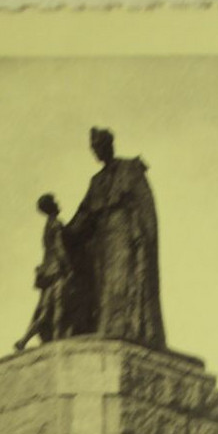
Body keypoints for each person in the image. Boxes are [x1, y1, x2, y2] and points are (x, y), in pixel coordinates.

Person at [65, 127, 166, 350]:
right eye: (94, 149)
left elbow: (145, 206)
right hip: (101, 239)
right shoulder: (96, 181)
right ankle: (106, 328)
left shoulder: (130, 169)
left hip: (124, 232)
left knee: (122, 280)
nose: (97, 152)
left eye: (99, 146)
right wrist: (66, 232)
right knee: (103, 285)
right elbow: (84, 214)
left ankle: (127, 328)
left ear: (109, 145)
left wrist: (144, 239)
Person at [14, 193, 76, 351]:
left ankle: (24, 340)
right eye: (55, 201)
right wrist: (68, 267)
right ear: (52, 206)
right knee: (59, 304)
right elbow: (59, 248)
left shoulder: (48, 225)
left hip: (46, 271)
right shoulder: (56, 224)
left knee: (43, 310)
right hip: (57, 270)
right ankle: (56, 337)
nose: (58, 202)